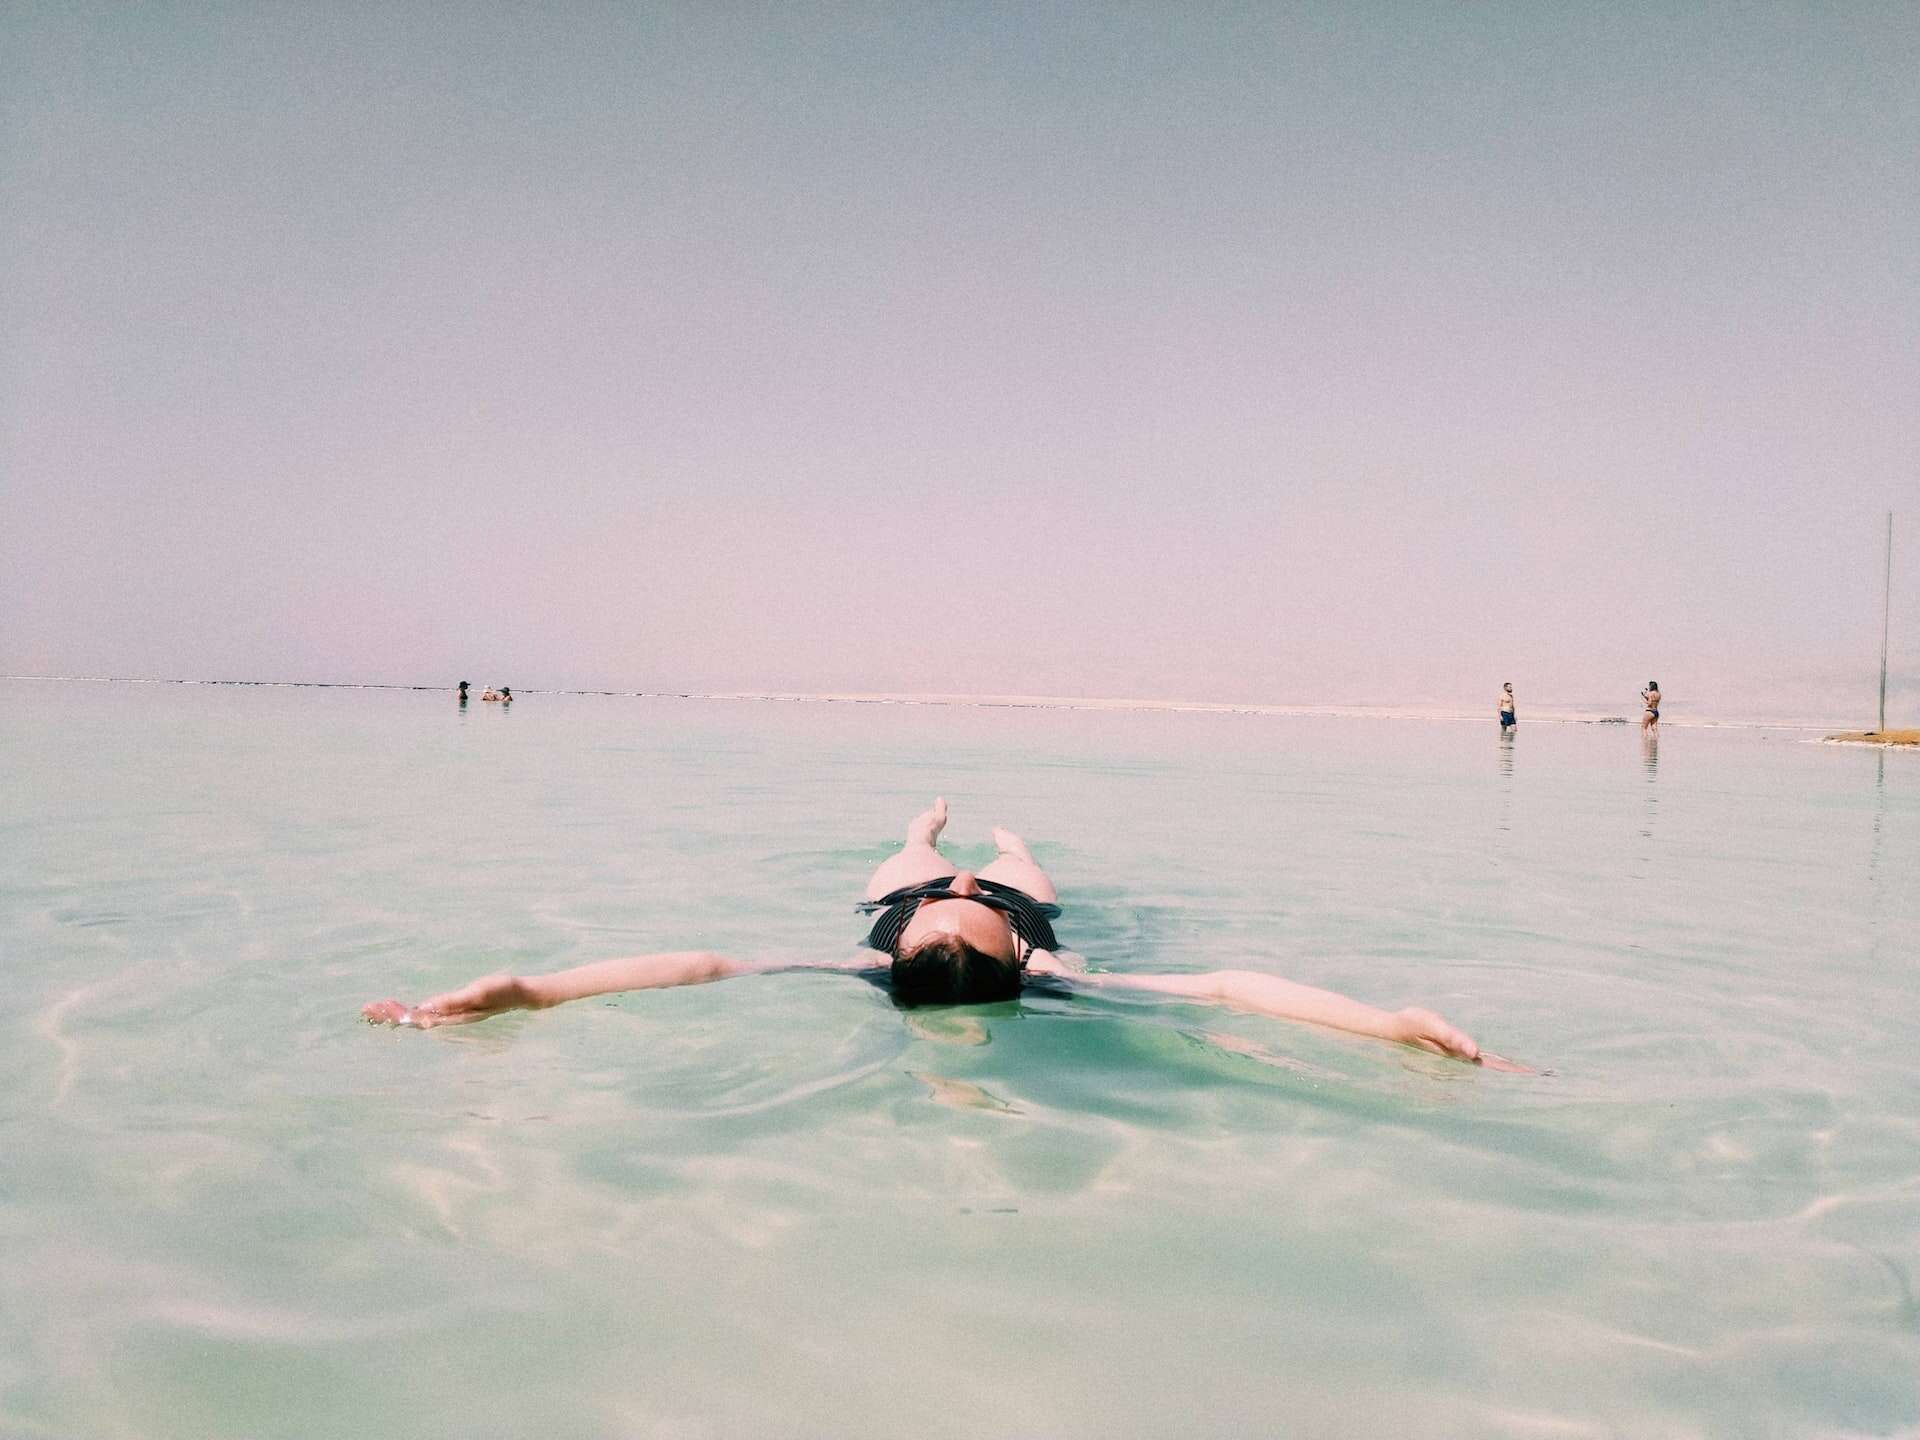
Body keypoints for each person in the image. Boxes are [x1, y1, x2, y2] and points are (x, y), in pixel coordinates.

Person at [363, 799, 1524, 1070]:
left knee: (908, 851)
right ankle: (981, 833)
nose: (960, 890)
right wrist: (1390, 1027)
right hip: (1015, 909)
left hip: (901, 900)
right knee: (1017, 861)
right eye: (958, 899)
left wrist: (536, 990)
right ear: (1016, 951)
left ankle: (925, 827)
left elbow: (699, 966)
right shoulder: (1041, 955)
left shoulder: (884, 949)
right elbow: (1228, 987)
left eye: (953, 898)